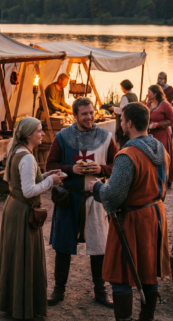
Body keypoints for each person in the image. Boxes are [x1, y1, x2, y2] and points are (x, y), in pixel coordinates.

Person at [93, 102, 171, 321]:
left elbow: (112, 196)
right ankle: (147, 318)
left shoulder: (128, 155)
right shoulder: (160, 149)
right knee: (148, 268)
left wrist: (97, 187)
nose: (120, 122)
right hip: (155, 215)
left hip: (133, 219)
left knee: (121, 272)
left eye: (121, 119)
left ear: (129, 123)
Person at [45, 97, 117, 308]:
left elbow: (117, 164)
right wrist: (70, 169)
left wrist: (101, 170)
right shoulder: (62, 137)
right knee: (63, 246)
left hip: (96, 198)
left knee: (99, 246)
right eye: (84, 114)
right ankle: (58, 291)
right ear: (75, 116)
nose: (89, 117)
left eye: (91, 112)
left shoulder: (105, 137)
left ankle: (100, 291)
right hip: (69, 197)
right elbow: (50, 164)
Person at [0, 117, 65, 319]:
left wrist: (45, 175)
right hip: (23, 211)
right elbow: (28, 190)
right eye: (39, 131)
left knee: (15, 255)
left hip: (14, 208)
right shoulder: (26, 158)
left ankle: (13, 302)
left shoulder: (18, 152)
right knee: (24, 256)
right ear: (28, 134)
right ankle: (22, 306)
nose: (42, 134)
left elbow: (30, 180)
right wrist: (50, 181)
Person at [146, 85, 173, 185]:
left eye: (149, 92)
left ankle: (164, 178)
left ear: (155, 94)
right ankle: (153, 178)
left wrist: (158, 124)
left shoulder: (166, 105)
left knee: (162, 156)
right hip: (151, 134)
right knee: (151, 155)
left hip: (162, 133)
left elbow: (171, 120)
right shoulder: (148, 104)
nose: (148, 94)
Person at [110, 79, 138, 148]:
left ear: (124, 87)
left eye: (121, 87)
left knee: (124, 142)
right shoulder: (135, 96)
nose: (121, 89)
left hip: (126, 122)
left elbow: (122, 110)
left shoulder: (125, 97)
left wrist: (113, 109)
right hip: (133, 121)